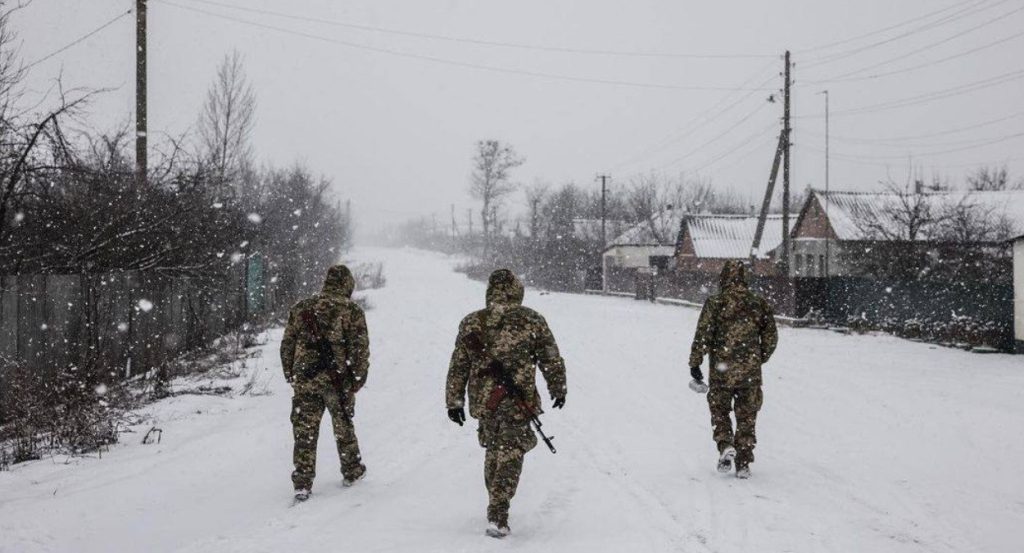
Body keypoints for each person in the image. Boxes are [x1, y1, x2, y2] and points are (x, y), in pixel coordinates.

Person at [446, 269, 567, 538]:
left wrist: (454, 401)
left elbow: (458, 366)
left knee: (495, 451)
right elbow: (550, 358)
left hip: (484, 402)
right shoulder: (531, 319)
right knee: (509, 453)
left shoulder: (472, 322)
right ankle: (498, 514)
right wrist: (558, 388)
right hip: (517, 402)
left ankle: (496, 504)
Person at [280, 264, 369, 501]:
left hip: (305, 379)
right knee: (343, 427)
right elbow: (359, 349)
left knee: (304, 431)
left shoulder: (302, 308)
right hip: (337, 380)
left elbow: (287, 343)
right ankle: (351, 469)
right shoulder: (351, 311)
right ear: (347, 285)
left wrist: (290, 372)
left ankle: (303, 480)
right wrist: (357, 379)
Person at [688, 260, 777, 479]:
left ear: (724, 278)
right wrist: (757, 358)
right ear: (744, 278)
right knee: (747, 416)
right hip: (750, 374)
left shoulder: (715, 303)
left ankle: (726, 444)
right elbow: (771, 336)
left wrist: (695, 363)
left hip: (722, 371)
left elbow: (703, 334)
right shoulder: (758, 304)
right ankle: (744, 462)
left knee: (720, 410)